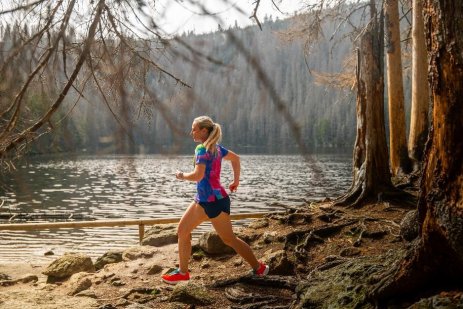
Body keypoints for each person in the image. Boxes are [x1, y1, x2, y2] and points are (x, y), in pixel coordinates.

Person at [161, 115, 269, 284]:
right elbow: (236, 159)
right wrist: (235, 181)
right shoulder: (217, 148)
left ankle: (183, 273)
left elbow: (198, 175)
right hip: (212, 199)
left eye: (194, 129)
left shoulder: (202, 149)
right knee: (187, 231)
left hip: (210, 201)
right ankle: (259, 268)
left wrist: (181, 176)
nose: (192, 132)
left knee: (221, 237)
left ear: (204, 131)